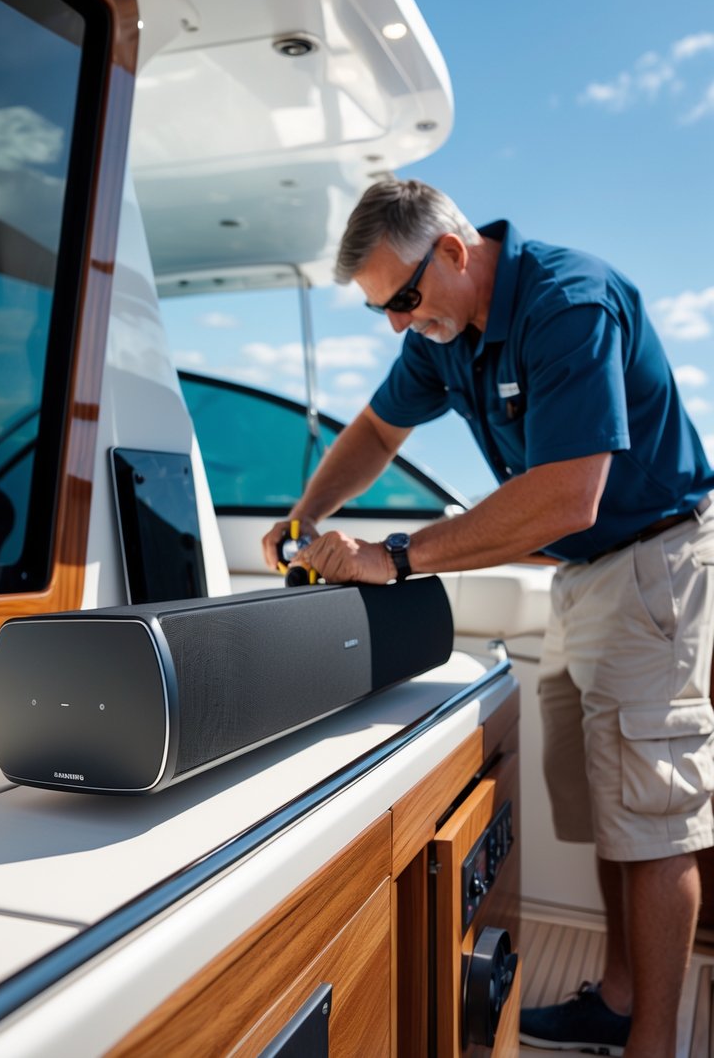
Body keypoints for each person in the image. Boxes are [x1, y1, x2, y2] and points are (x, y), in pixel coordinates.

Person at [262, 178, 714, 1058]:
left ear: (456, 253)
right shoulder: (447, 328)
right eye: (382, 310)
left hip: (653, 561)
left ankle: (652, 1042)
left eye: (401, 299)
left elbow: (563, 497)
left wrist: (394, 556)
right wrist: (306, 515)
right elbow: (378, 430)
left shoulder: (567, 304)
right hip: (583, 574)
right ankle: (618, 998)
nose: (397, 323)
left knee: (655, 821)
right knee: (608, 802)